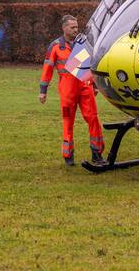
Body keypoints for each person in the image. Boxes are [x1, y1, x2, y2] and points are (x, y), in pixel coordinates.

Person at [39, 15, 105, 167]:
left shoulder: (83, 44)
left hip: (85, 86)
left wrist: (94, 86)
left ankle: (97, 153)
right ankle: (68, 155)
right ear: (64, 28)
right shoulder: (55, 46)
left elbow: (91, 66)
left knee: (93, 119)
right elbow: (47, 68)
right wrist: (43, 90)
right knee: (68, 122)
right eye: (72, 27)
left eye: (77, 27)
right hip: (67, 90)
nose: (76, 29)